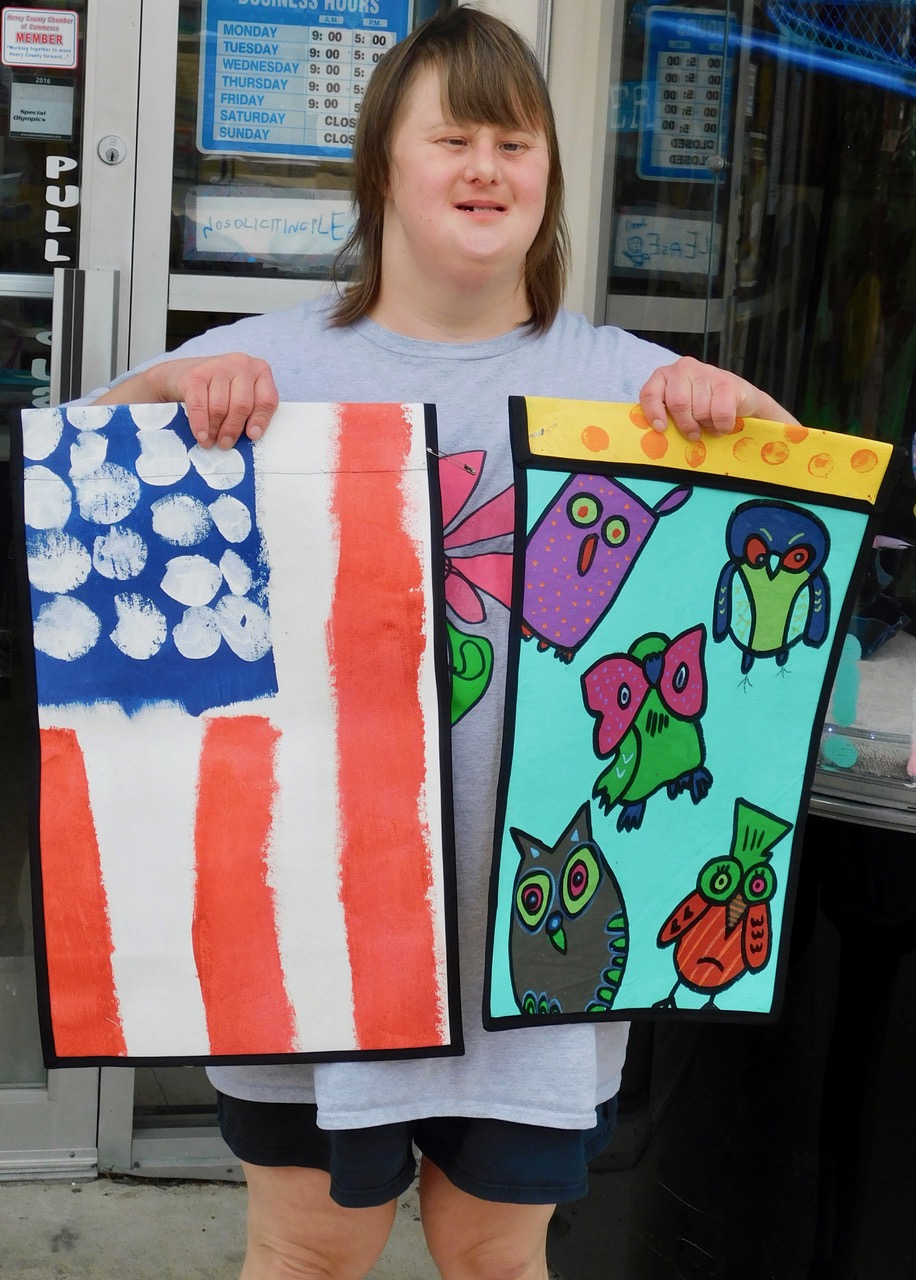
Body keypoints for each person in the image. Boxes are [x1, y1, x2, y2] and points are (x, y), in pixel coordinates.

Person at [92, 10, 797, 1279]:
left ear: (548, 179)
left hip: (540, 945)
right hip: (314, 930)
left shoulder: (630, 386)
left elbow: (789, 541)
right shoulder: (263, 360)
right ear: (383, 170)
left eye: (514, 141)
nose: (486, 166)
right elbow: (80, 498)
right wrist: (154, 404)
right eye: (453, 136)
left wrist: (739, 419)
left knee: (494, 1255)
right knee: (307, 1248)